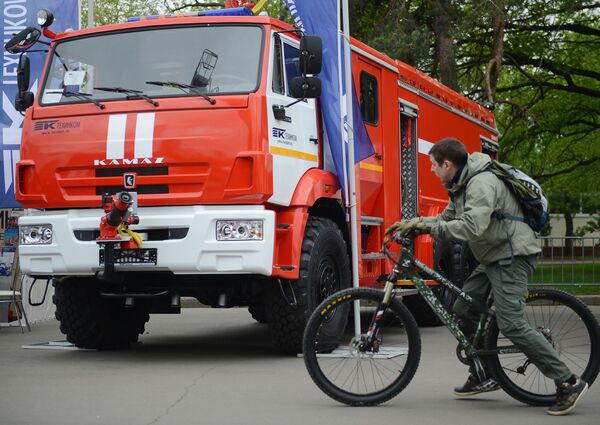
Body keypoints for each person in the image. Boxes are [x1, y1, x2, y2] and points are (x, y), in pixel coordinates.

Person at [386, 137, 588, 416]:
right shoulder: (460, 185)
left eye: (433, 165)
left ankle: (568, 381)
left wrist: (428, 230)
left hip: (512, 256)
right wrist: (415, 224)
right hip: (494, 256)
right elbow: (445, 220)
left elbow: (472, 228)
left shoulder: (481, 184)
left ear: (448, 164)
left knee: (511, 323)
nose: (431, 170)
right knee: (463, 308)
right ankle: (484, 372)